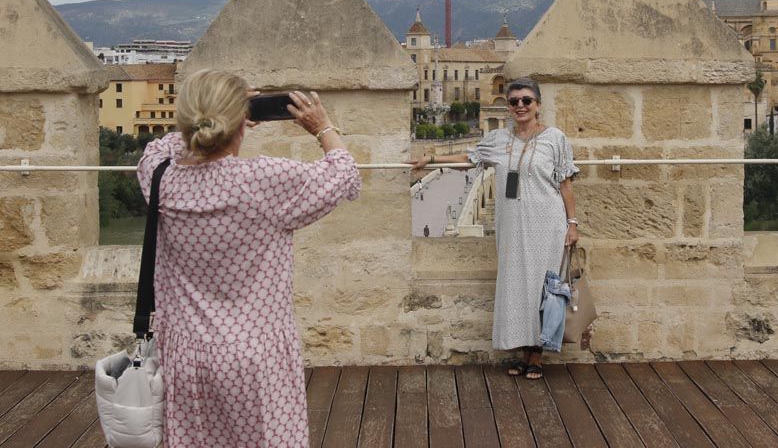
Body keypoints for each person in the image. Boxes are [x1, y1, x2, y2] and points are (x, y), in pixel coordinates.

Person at [136, 69, 360, 447]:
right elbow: (344, 173)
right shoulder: (263, 181)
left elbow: (158, 148)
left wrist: (218, 116)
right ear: (242, 121)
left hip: (186, 356)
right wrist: (323, 128)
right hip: (256, 357)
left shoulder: (160, 179)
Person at [409, 77, 579, 380]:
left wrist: (572, 223)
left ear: (538, 105)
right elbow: (469, 158)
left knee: (543, 287)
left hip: (547, 223)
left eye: (527, 100)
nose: (520, 106)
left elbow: (565, 184)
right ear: (508, 107)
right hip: (512, 225)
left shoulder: (555, 138)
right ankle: (519, 349)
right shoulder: (499, 140)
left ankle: (536, 356)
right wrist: (432, 158)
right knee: (516, 287)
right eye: (514, 101)